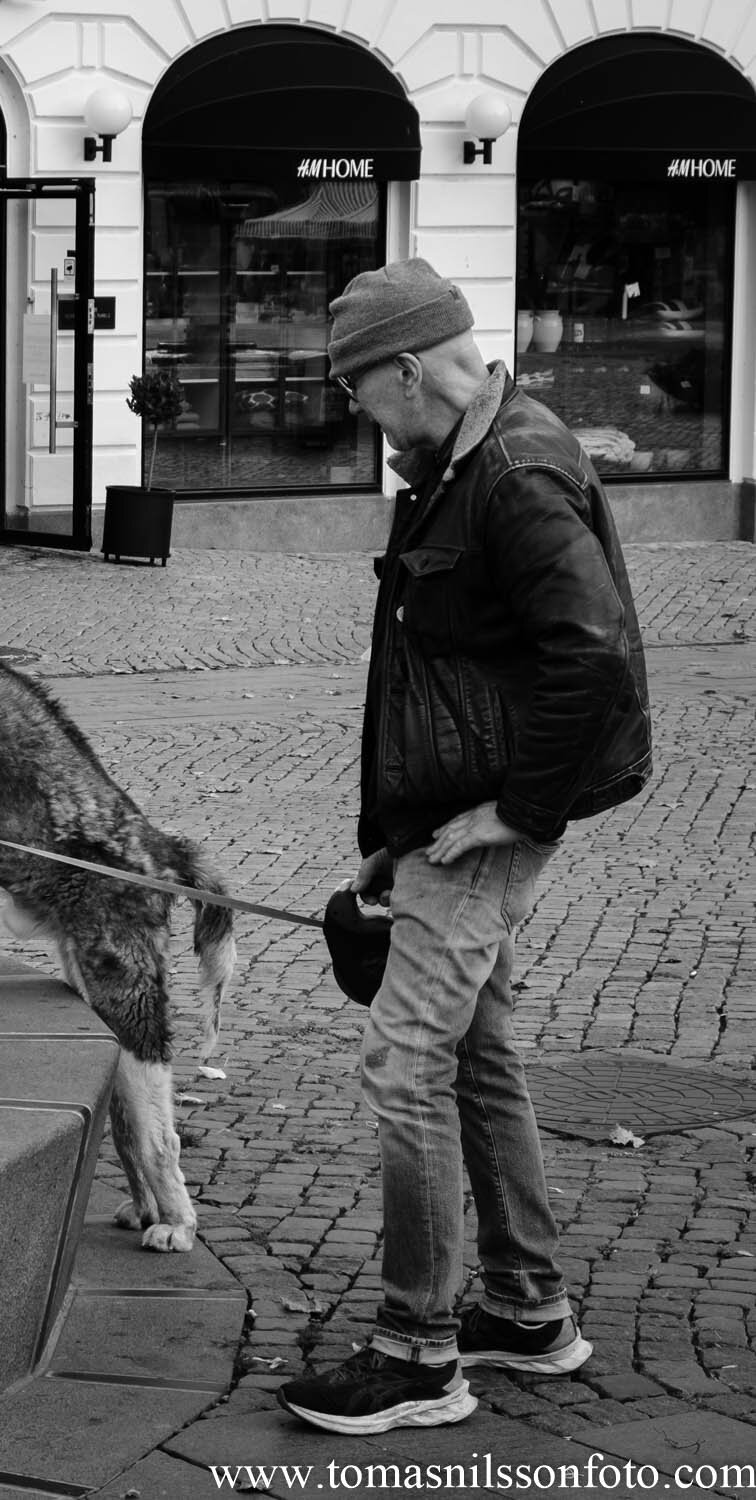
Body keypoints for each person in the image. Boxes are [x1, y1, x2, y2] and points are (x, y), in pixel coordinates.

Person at [277, 259, 652, 1436]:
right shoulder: (448, 465)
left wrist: (521, 812)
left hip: (486, 819)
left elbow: (591, 656)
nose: (355, 411)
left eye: (356, 386)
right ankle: (529, 1311)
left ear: (405, 368)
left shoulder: (513, 471)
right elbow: (434, 674)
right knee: (477, 1054)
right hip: (447, 814)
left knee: (404, 1067)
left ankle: (416, 1350)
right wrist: (388, 839)